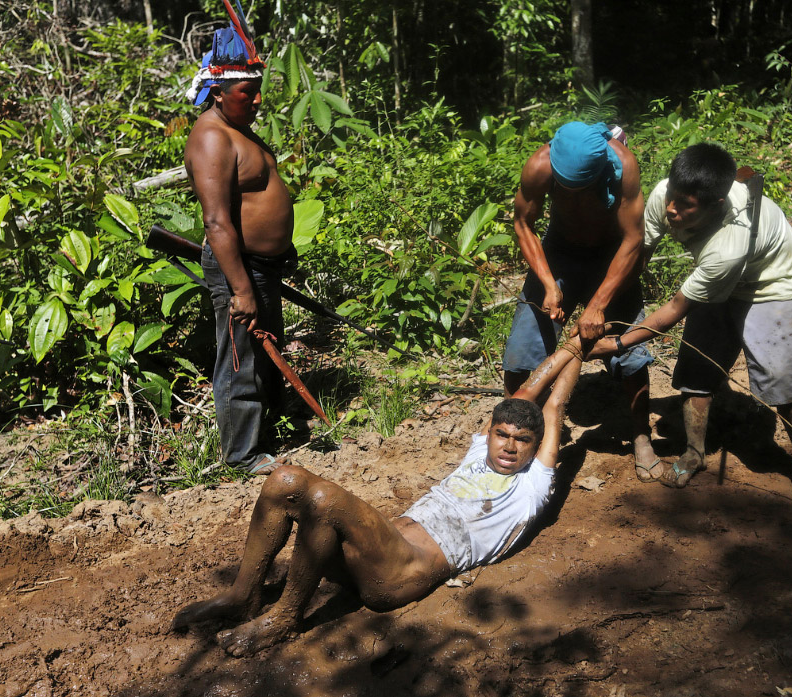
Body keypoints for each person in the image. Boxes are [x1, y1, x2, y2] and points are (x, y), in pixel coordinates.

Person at [170, 345, 583, 656]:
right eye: (503, 435)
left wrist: (579, 348)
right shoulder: (480, 449)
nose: (510, 447)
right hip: (369, 551)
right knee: (284, 480)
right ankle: (244, 596)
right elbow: (525, 392)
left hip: (403, 571)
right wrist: (568, 344)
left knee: (323, 498)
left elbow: (554, 403)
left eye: (523, 441)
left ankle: (284, 619)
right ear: (491, 432)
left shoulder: (532, 486)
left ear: (536, 446)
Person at [586, 143, 792, 512]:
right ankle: (695, 452)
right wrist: (605, 303)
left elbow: (675, 308)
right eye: (672, 197)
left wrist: (619, 344)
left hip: (767, 283)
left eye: (685, 205)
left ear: (714, 206)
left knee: (781, 380)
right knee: (695, 373)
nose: (672, 209)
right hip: (716, 279)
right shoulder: (665, 195)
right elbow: (639, 251)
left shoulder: (727, 246)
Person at [502, 121, 658, 480]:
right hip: (559, 251)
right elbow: (524, 223)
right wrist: (547, 284)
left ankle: (640, 435)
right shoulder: (540, 165)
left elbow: (633, 239)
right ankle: (517, 433)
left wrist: (599, 303)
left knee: (631, 355)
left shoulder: (623, 166)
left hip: (612, 253)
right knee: (522, 348)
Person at [184, 1, 293, 474]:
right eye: (247, 93)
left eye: (257, 92)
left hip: (261, 266)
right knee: (240, 360)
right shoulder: (212, 138)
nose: (256, 101)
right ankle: (242, 455)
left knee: (267, 348)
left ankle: (268, 431)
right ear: (219, 92)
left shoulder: (240, 129)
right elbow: (217, 222)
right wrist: (242, 289)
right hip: (238, 269)